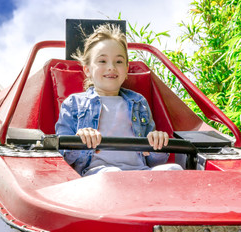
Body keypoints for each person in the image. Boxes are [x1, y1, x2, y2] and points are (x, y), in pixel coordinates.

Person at [55, 24, 182, 176]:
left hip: (140, 173)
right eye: (102, 61)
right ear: (87, 69)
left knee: (175, 171)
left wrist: (157, 144)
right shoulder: (74, 104)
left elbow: (154, 161)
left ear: (127, 69)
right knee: (113, 174)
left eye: (119, 62)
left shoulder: (138, 102)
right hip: (98, 174)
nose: (111, 67)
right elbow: (62, 156)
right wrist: (79, 140)